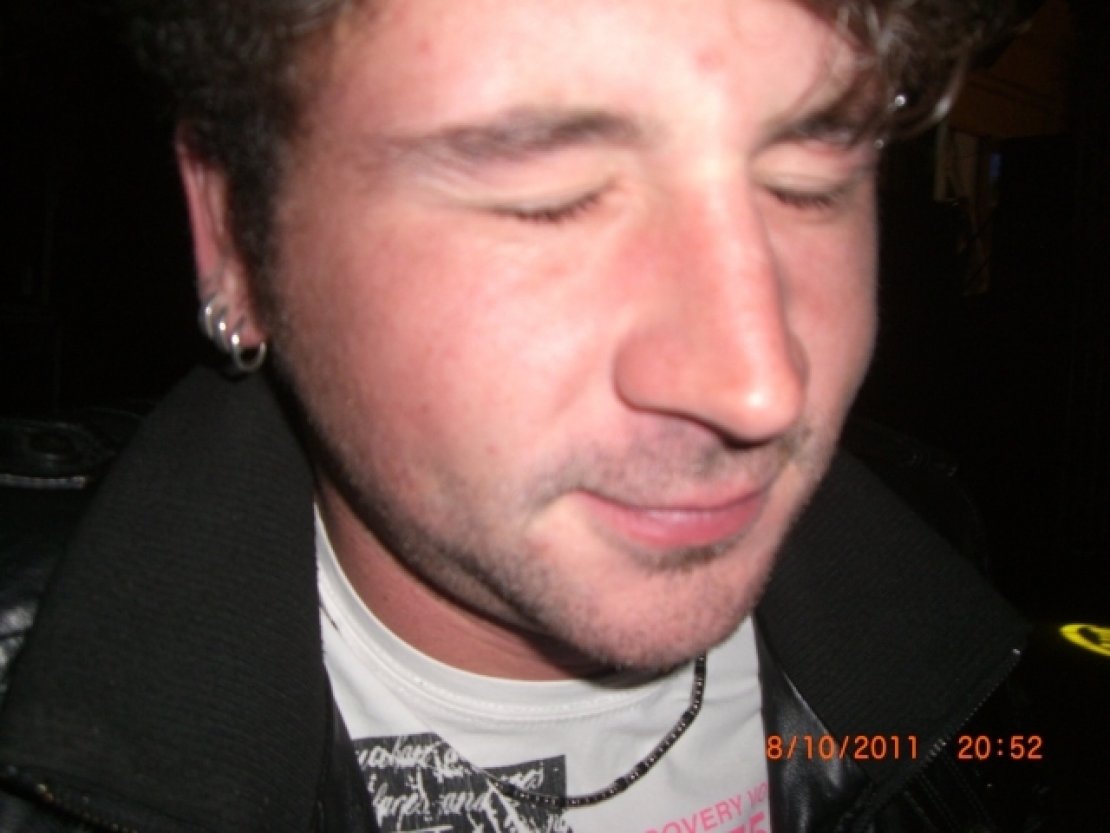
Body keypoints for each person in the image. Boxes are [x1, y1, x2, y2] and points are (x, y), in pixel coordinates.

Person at [0, 1, 1037, 831]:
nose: (759, 387)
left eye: (812, 179)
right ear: (235, 231)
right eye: (549, 195)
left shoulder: (952, 602)